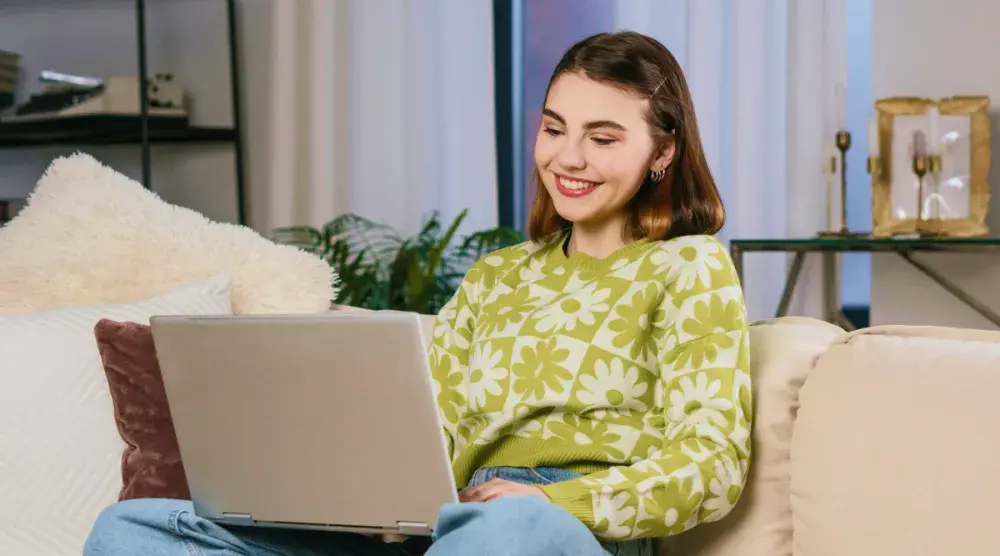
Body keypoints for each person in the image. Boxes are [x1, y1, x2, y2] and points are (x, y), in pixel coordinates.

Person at [83, 30, 751, 556]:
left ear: (663, 154)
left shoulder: (688, 267)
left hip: (557, 535)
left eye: (602, 138)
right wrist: (357, 499)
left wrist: (549, 503)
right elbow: (427, 431)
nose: (567, 158)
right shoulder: (498, 278)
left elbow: (712, 464)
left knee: (500, 536)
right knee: (131, 530)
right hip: (443, 526)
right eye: (554, 129)